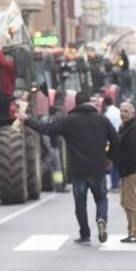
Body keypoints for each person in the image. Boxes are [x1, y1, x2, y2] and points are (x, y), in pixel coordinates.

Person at [17, 91, 119, 244]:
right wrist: (109, 158)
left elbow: (48, 129)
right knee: (101, 198)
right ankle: (102, 219)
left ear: (76, 103)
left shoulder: (69, 120)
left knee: (80, 203)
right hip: (98, 168)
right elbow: (116, 140)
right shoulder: (102, 119)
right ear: (90, 103)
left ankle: (85, 235)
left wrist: (28, 120)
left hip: (79, 170)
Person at [115, 102, 136, 243]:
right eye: (121, 111)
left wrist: (121, 163)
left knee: (133, 203)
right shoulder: (124, 127)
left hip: (132, 171)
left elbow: (133, 152)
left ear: (133, 114)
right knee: (126, 203)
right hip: (126, 171)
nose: (123, 113)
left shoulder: (134, 129)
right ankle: (131, 231)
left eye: (126, 111)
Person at [103, 97, 122, 191]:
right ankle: (119, 181)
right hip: (121, 137)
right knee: (119, 161)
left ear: (105, 104)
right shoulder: (119, 111)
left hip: (111, 140)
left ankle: (115, 183)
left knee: (112, 162)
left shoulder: (106, 115)